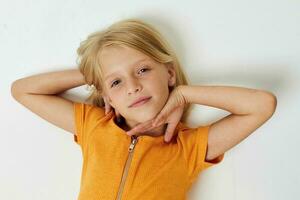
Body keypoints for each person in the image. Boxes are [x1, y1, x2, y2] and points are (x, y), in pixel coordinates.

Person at [11, 18, 277, 200]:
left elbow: (262, 105)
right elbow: (22, 90)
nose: (133, 87)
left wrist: (185, 94)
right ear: (107, 97)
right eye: (116, 82)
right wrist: (94, 73)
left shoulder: (188, 147)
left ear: (169, 74)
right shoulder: (94, 126)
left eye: (142, 70)